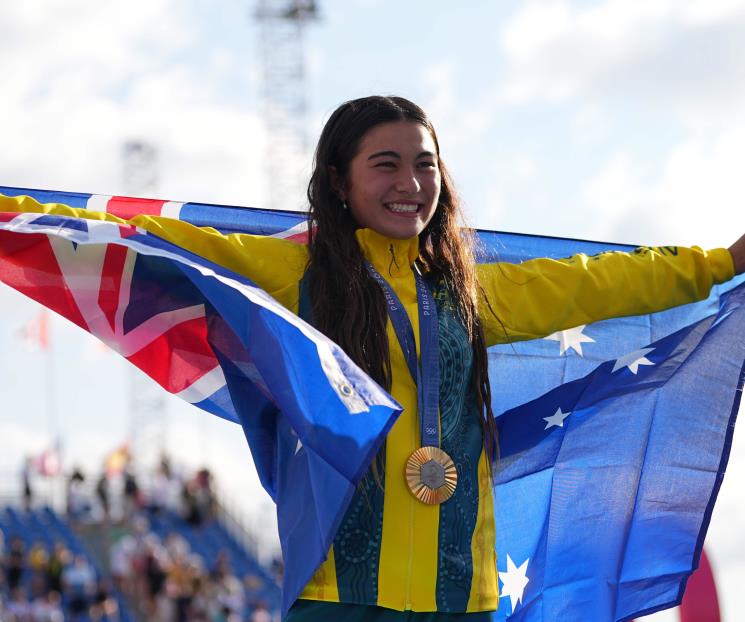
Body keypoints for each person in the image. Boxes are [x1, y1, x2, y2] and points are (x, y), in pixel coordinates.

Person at [1, 95, 744, 620]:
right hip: (339, 589)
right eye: (384, 165)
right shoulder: (294, 275)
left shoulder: (471, 292)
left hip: (462, 591)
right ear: (339, 181)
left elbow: (600, 281)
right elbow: (148, 240)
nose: (408, 184)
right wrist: (17, 215)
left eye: (423, 165)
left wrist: (719, 262)